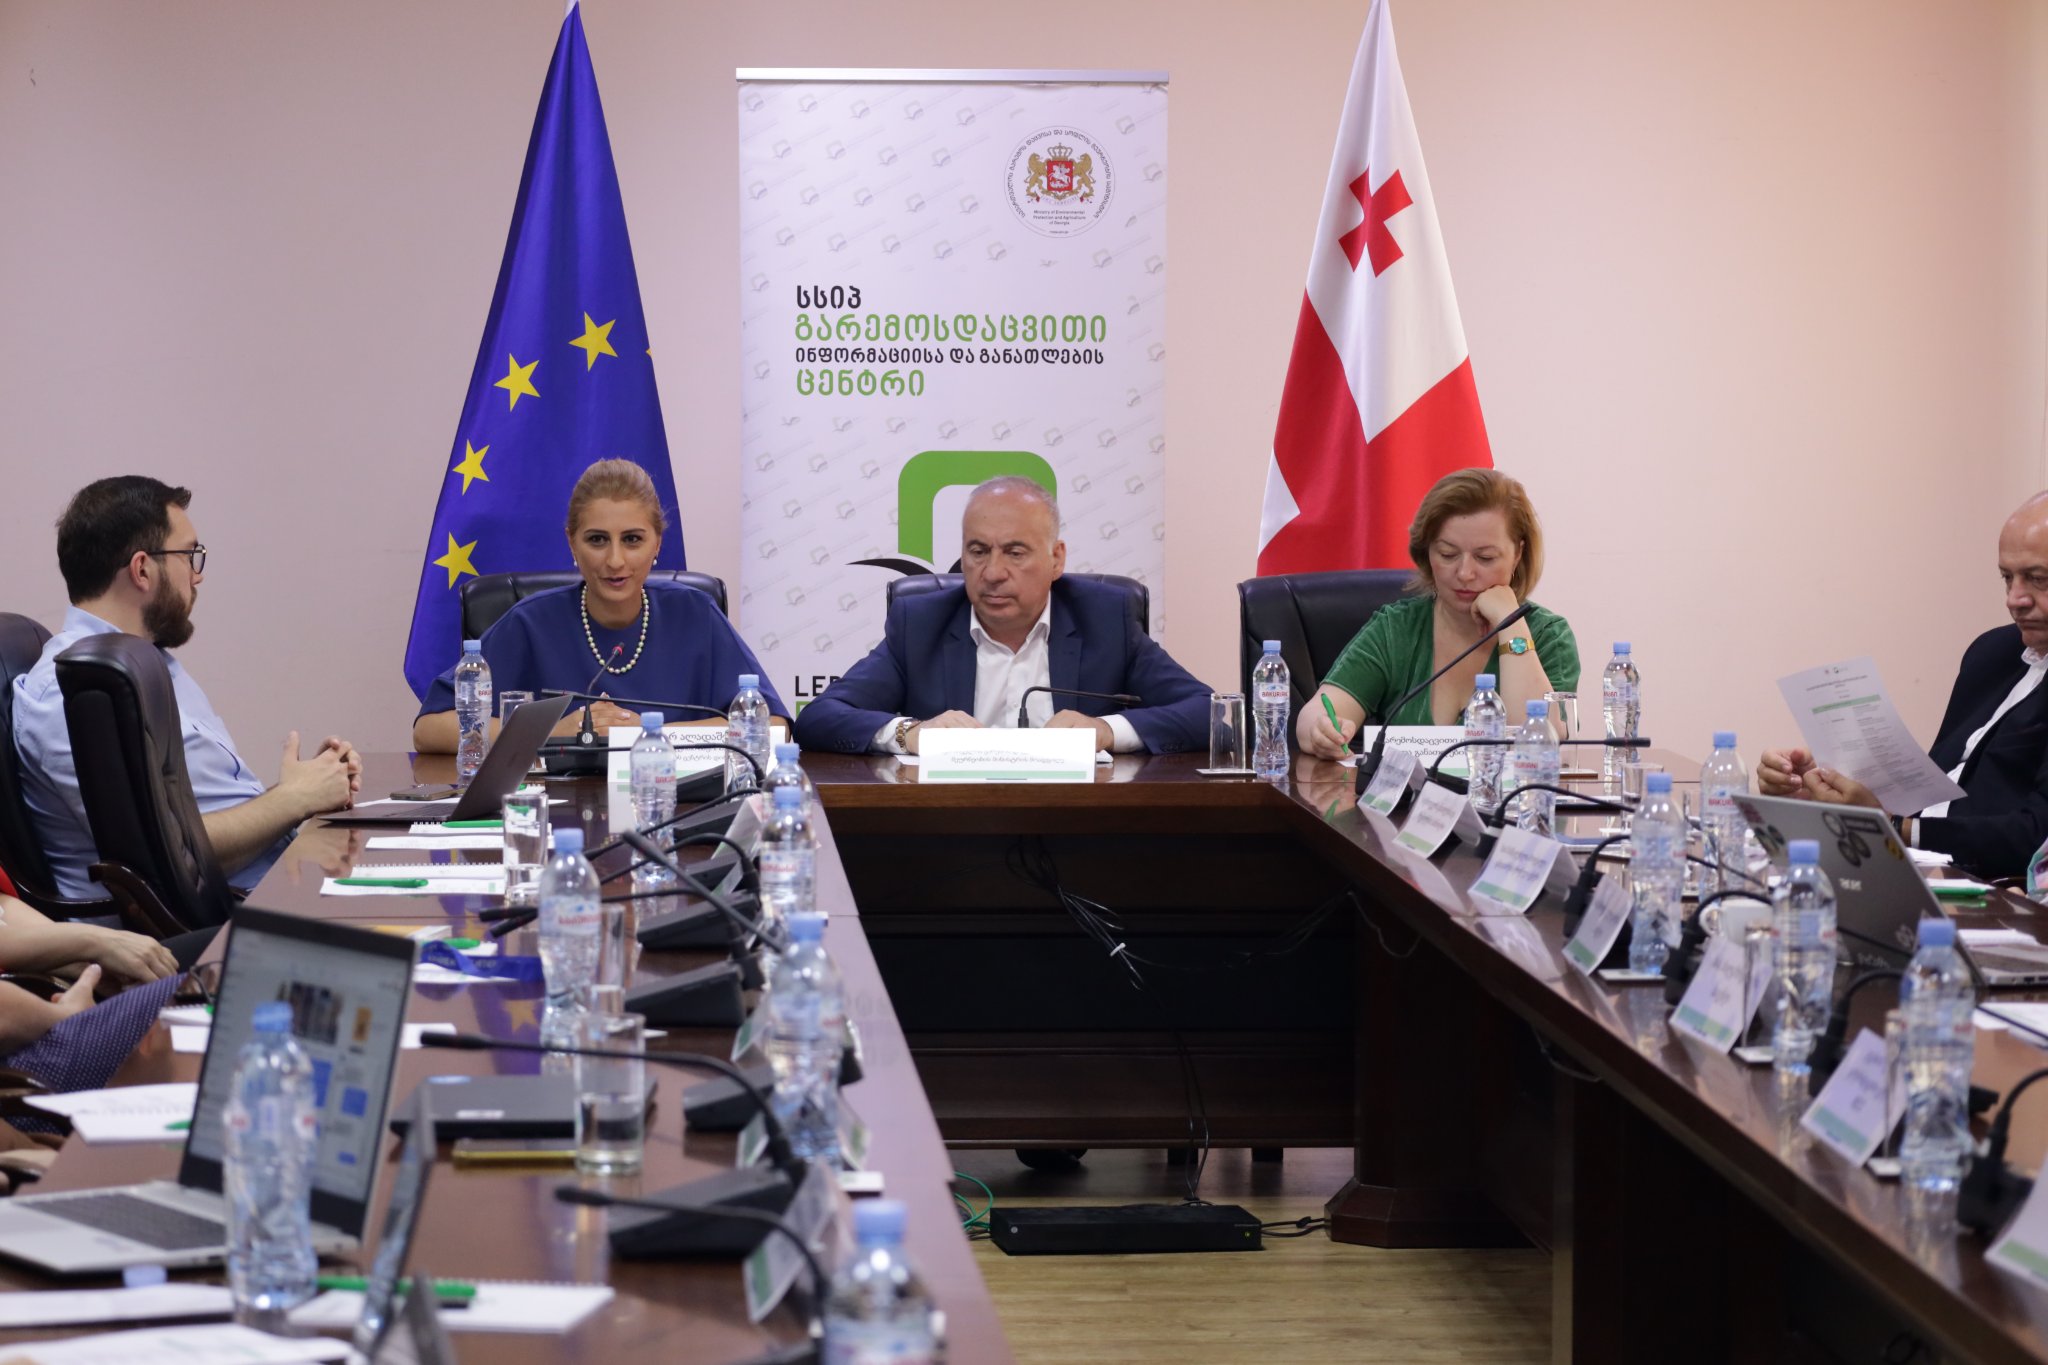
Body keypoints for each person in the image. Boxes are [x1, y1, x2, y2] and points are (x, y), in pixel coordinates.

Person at [13, 477, 360, 902]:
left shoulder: (146, 662)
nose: (197, 577)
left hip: (264, 890)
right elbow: (167, 857)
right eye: (189, 555)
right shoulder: (72, 692)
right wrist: (293, 800)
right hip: (207, 921)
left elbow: (198, 818)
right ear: (142, 569)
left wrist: (309, 787)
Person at [794, 477, 1211, 755]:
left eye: (1015, 552)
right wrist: (910, 733)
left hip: (1079, 827)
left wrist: (1107, 731)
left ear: (1056, 559)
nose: (993, 572)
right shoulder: (920, 624)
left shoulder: (1105, 619)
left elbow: (1210, 713)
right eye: (978, 551)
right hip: (952, 829)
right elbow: (819, 718)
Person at [1760, 490, 2048, 878]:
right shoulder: (1992, 652)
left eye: (2037, 579)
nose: (2015, 599)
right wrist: (1824, 785)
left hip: (1991, 885)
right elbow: (1938, 788)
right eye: (2007, 577)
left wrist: (1890, 827)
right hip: (1913, 864)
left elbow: (2037, 838)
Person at [413, 459, 786, 751]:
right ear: (572, 543)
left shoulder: (695, 615)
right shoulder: (530, 623)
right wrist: (551, 731)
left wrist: (649, 734)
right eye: (597, 540)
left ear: (657, 543)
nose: (615, 560)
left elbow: (774, 726)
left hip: (671, 806)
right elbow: (430, 729)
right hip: (553, 815)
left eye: (633, 539)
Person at [1297, 468, 1580, 757]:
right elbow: (1315, 716)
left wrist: (1511, 623)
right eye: (1447, 554)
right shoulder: (1397, 629)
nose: (1465, 573)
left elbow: (1538, 744)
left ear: (1517, 554)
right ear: (1427, 552)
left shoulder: (1549, 636)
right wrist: (1321, 731)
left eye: (1485, 558)